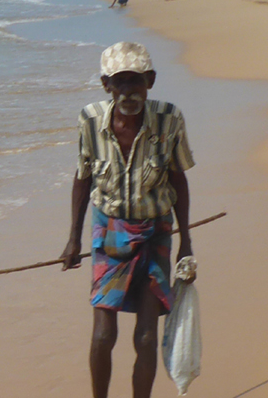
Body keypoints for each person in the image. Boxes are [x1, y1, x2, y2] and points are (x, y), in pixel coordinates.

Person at [61, 42, 195, 398]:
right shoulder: (89, 119)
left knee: (147, 336)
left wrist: (187, 241)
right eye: (119, 83)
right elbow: (82, 177)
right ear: (106, 85)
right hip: (109, 233)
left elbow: (179, 178)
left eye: (134, 82)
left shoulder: (169, 118)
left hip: (156, 231)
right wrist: (73, 239)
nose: (127, 92)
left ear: (149, 81)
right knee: (104, 335)